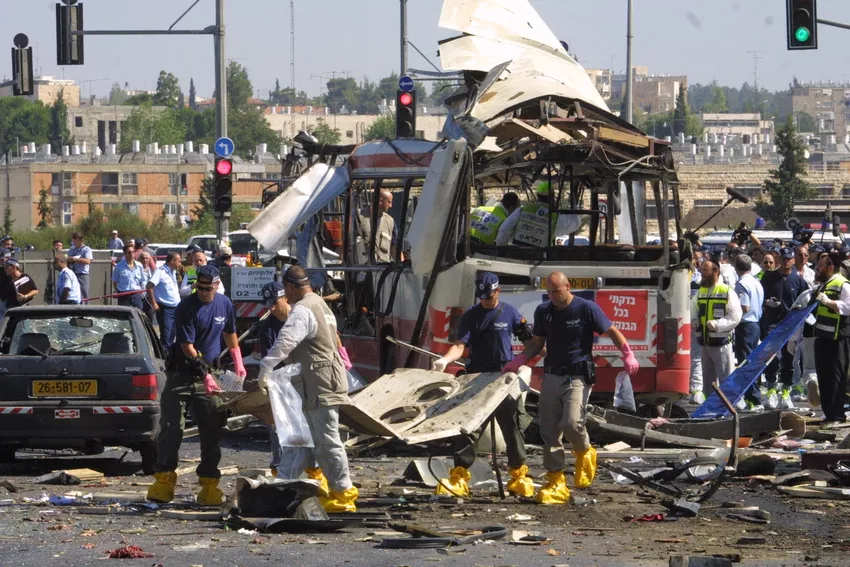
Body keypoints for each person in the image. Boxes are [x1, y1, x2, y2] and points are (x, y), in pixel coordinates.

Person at [502, 271, 639, 504]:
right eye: (549, 292)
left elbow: (612, 331)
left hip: (578, 376)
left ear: (568, 286)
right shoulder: (544, 311)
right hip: (552, 374)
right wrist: (520, 360)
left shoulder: (585, 308)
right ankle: (556, 479)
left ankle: (585, 451)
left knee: (571, 422)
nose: (553, 296)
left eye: (557, 291)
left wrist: (627, 354)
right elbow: (537, 343)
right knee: (549, 429)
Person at [257, 266, 359, 513]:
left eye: (287, 291)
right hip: (320, 381)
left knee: (327, 441)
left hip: (319, 382)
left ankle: (344, 494)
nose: (287, 297)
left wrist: (265, 367)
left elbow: (286, 341)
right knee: (306, 440)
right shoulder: (320, 304)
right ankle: (285, 486)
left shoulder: (303, 309)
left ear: (290, 287)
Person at [147, 265, 246, 506]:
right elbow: (187, 347)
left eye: (207, 288)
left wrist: (238, 361)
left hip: (209, 373)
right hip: (181, 375)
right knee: (171, 428)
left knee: (212, 428)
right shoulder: (186, 307)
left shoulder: (224, 304)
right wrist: (205, 375)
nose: (202, 292)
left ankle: (209, 485)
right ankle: (164, 480)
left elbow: (230, 333)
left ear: (216, 285)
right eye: (199, 287)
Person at [429, 273, 534, 498]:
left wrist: (522, 361)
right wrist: (445, 359)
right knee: (469, 428)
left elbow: (532, 344)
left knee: (513, 428)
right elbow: (460, 345)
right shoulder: (471, 315)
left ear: (498, 291)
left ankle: (518, 477)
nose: (485, 300)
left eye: (489, 296)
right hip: (477, 379)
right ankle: (458, 477)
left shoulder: (510, 313)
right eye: (482, 297)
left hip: (504, 379)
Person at [760, 247, 809, 409]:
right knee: (771, 356)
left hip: (791, 324)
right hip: (772, 322)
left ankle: (786, 392)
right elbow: (760, 297)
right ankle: (771, 390)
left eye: (789, 259)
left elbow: (806, 300)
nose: (786, 261)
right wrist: (767, 302)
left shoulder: (798, 280)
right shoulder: (768, 277)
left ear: (793, 260)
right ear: (779, 260)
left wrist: (800, 309)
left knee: (789, 358)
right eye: (784, 258)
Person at [692, 260, 742, 396]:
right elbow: (693, 309)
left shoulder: (727, 291)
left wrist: (718, 324)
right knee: (707, 380)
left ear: (716, 271)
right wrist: (694, 320)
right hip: (704, 342)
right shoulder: (701, 291)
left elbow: (735, 316)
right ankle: (710, 404)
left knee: (725, 378)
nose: (702, 273)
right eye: (701, 270)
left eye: (705, 270)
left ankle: (728, 404)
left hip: (721, 343)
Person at [811, 254, 850, 423]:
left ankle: (837, 415)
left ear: (830, 267)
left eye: (821, 266)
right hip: (823, 337)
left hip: (838, 338)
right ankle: (828, 414)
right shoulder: (823, 285)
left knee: (836, 378)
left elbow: (848, 306)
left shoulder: (843, 284)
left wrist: (829, 302)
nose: (817, 269)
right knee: (824, 377)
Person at [495, 182, 581, 247]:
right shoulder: (555, 218)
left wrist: (500, 246)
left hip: (518, 254)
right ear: (552, 196)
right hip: (540, 258)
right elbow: (575, 223)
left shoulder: (521, 211)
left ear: (538, 196)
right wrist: (574, 204)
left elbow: (504, 229)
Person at [733, 255, 764, 410]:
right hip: (755, 324)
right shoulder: (756, 282)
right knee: (752, 361)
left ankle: (753, 398)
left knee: (746, 363)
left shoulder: (742, 284)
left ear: (736, 267)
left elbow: (744, 307)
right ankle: (751, 396)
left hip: (745, 326)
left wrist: (730, 308)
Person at [147, 252, 182, 349]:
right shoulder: (160, 272)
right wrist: (153, 303)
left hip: (175, 308)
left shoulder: (172, 271)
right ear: (172, 261)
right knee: (166, 336)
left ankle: (169, 355)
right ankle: (165, 356)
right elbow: (149, 286)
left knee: (172, 335)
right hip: (165, 309)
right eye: (179, 261)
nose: (180, 264)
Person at [357, 189, 398, 263]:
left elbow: (394, 248)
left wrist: (401, 265)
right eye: (389, 202)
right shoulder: (358, 216)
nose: (391, 206)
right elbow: (347, 240)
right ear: (380, 201)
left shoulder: (390, 221)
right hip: (362, 267)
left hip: (383, 267)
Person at [112, 244, 148, 310]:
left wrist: (142, 293)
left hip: (136, 294)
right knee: (123, 314)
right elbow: (115, 282)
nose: (131, 254)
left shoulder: (139, 266)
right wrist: (119, 292)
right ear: (125, 254)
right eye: (129, 252)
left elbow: (143, 281)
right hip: (123, 295)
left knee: (139, 313)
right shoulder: (118, 266)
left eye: (133, 252)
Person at [67, 232, 93, 300]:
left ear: (82, 240)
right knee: (73, 294)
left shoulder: (87, 249)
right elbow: (67, 259)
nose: (75, 243)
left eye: (76, 241)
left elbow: (88, 261)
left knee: (84, 294)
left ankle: (85, 306)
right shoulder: (72, 249)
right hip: (72, 274)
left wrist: (75, 259)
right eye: (73, 241)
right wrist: (68, 259)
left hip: (82, 275)